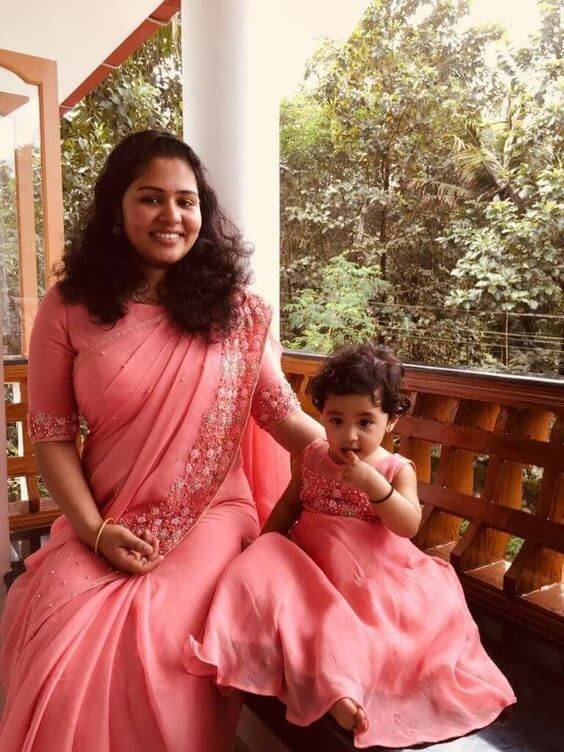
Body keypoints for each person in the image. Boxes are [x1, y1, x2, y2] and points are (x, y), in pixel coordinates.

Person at [0, 130, 323, 752]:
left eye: (187, 200)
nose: (172, 216)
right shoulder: (67, 309)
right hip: (104, 517)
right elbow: (53, 440)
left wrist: (356, 461)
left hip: (209, 516)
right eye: (151, 198)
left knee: (156, 639)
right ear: (117, 212)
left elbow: (281, 417)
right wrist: (94, 530)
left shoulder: (238, 313)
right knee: (49, 630)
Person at [185, 342, 517, 749]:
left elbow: (408, 524)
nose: (349, 435)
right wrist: (265, 543)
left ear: (390, 421)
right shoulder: (312, 456)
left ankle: (343, 691)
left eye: (365, 422)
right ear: (321, 413)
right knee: (270, 579)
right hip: (313, 567)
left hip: (371, 575)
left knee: (356, 628)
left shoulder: (395, 469)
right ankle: (311, 678)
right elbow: (291, 504)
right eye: (336, 419)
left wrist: (377, 488)